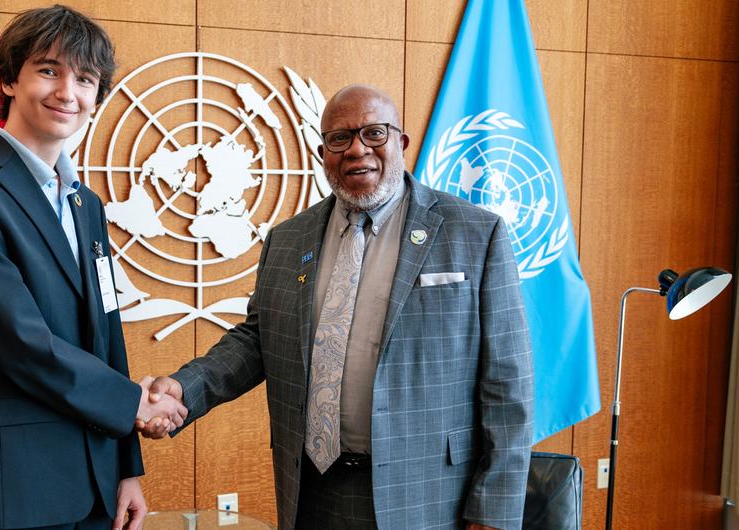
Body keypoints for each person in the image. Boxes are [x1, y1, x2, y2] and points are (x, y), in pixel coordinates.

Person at [140, 85, 534, 529]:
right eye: (339, 138)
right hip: (313, 491)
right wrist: (183, 390)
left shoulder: (475, 234)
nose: (357, 149)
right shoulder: (288, 239)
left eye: (374, 133)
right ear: (323, 151)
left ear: (401, 143)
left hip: (430, 497)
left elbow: (508, 384)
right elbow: (259, 339)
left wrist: (495, 511)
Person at [0, 6, 186, 530]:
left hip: (95, 484)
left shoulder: (85, 204)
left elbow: (107, 334)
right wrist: (135, 400)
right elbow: (15, 339)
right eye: (49, 70)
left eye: (85, 79)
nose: (68, 92)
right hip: (13, 486)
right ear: (9, 79)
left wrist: (126, 468)